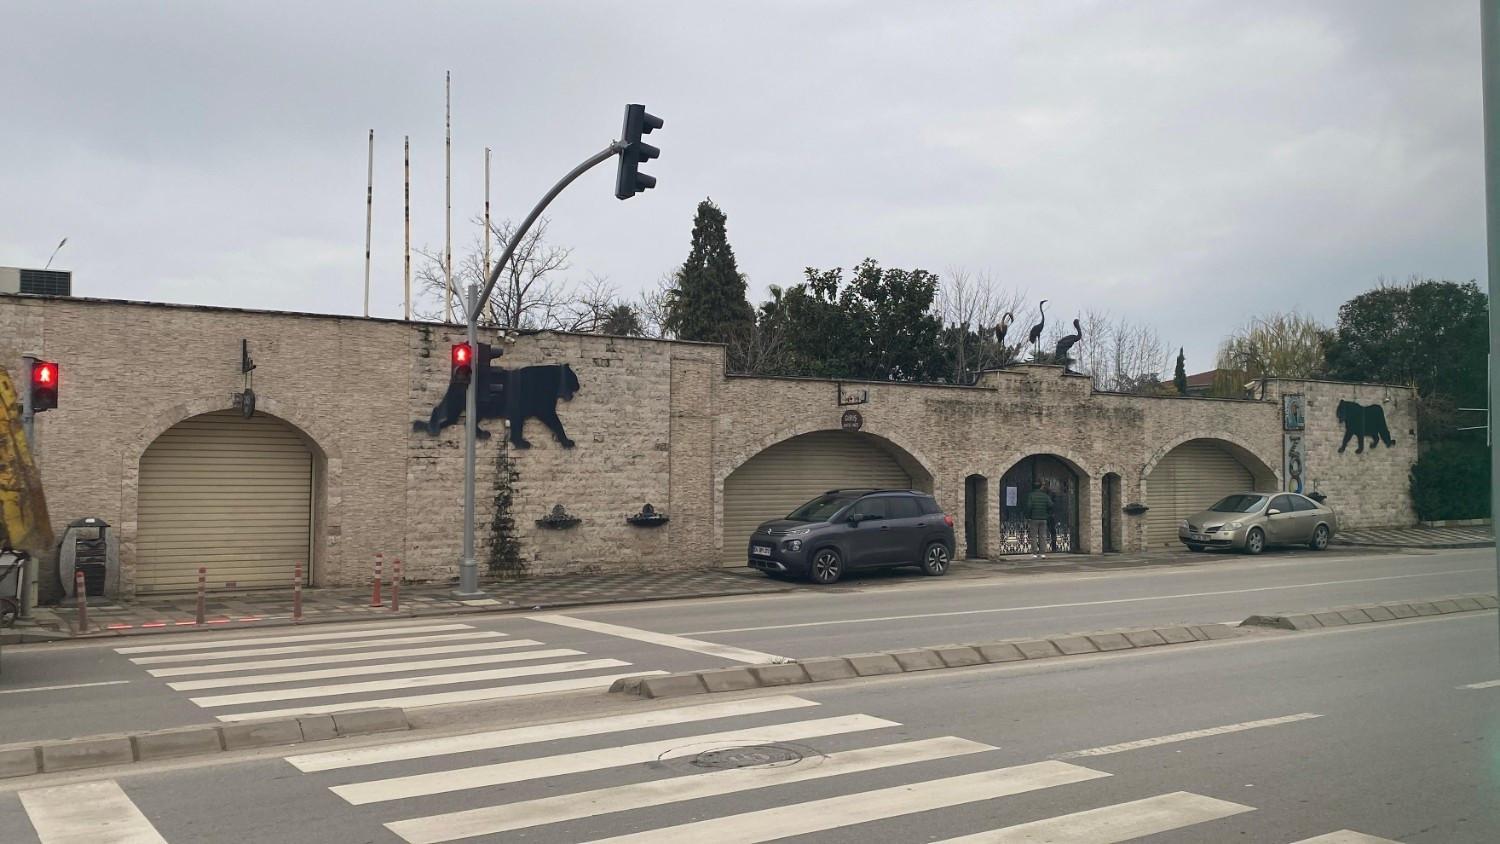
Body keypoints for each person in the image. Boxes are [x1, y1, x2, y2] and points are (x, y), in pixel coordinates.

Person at [1023, 480, 1053, 558]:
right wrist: (1047, 513)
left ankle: (1034, 553)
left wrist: (1028, 516)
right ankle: (1042, 553)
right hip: (1043, 518)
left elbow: (1029, 506)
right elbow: (1051, 505)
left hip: (1034, 518)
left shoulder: (1031, 495)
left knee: (1033, 536)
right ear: (1040, 487)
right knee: (1042, 536)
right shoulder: (1045, 495)